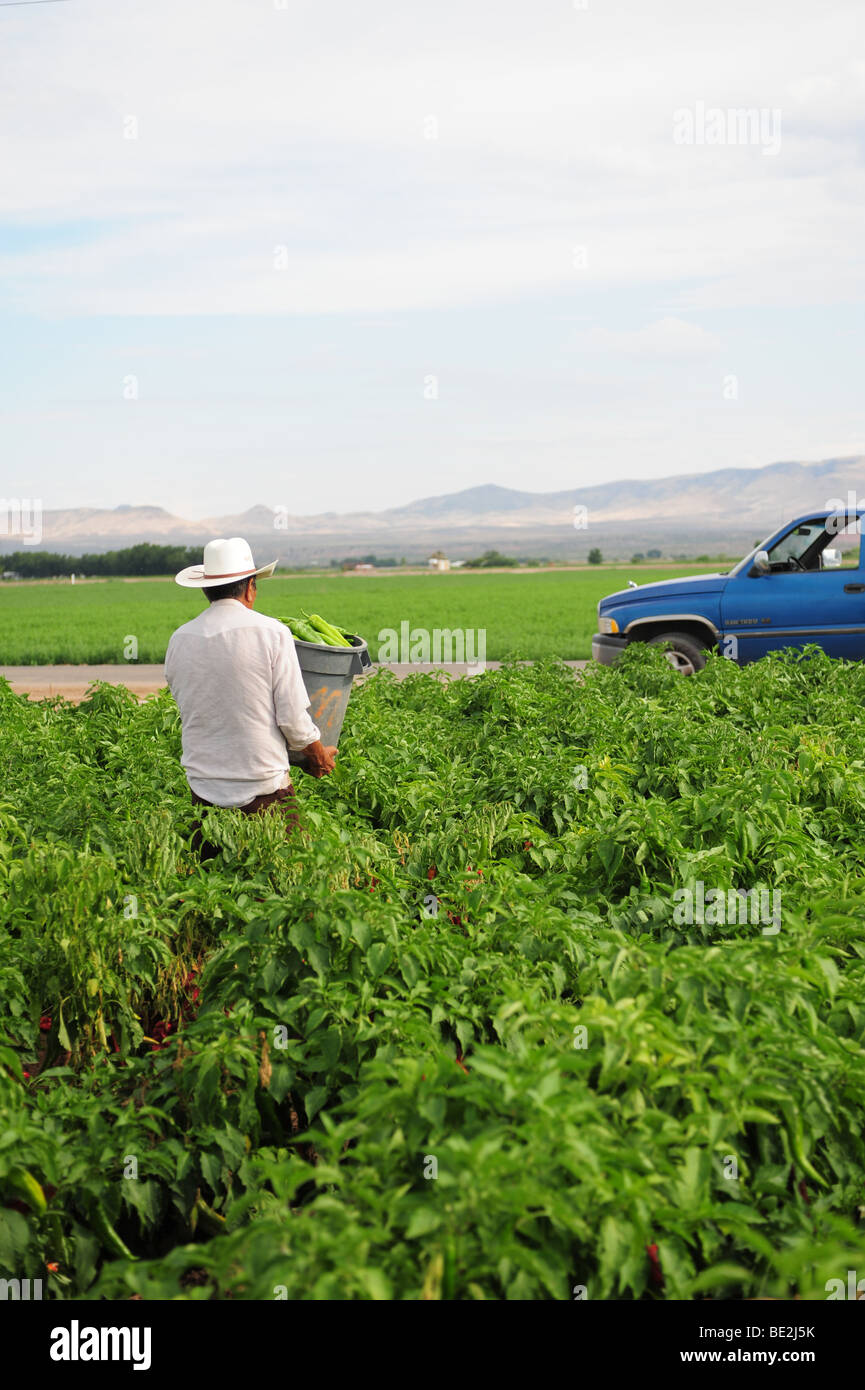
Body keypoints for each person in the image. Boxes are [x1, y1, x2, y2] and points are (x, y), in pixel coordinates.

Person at [165, 537, 337, 857]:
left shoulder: (180, 639)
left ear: (206, 590)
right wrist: (318, 756)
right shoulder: (272, 633)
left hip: (203, 795)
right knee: (283, 878)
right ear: (250, 589)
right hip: (264, 794)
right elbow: (292, 719)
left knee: (211, 882)